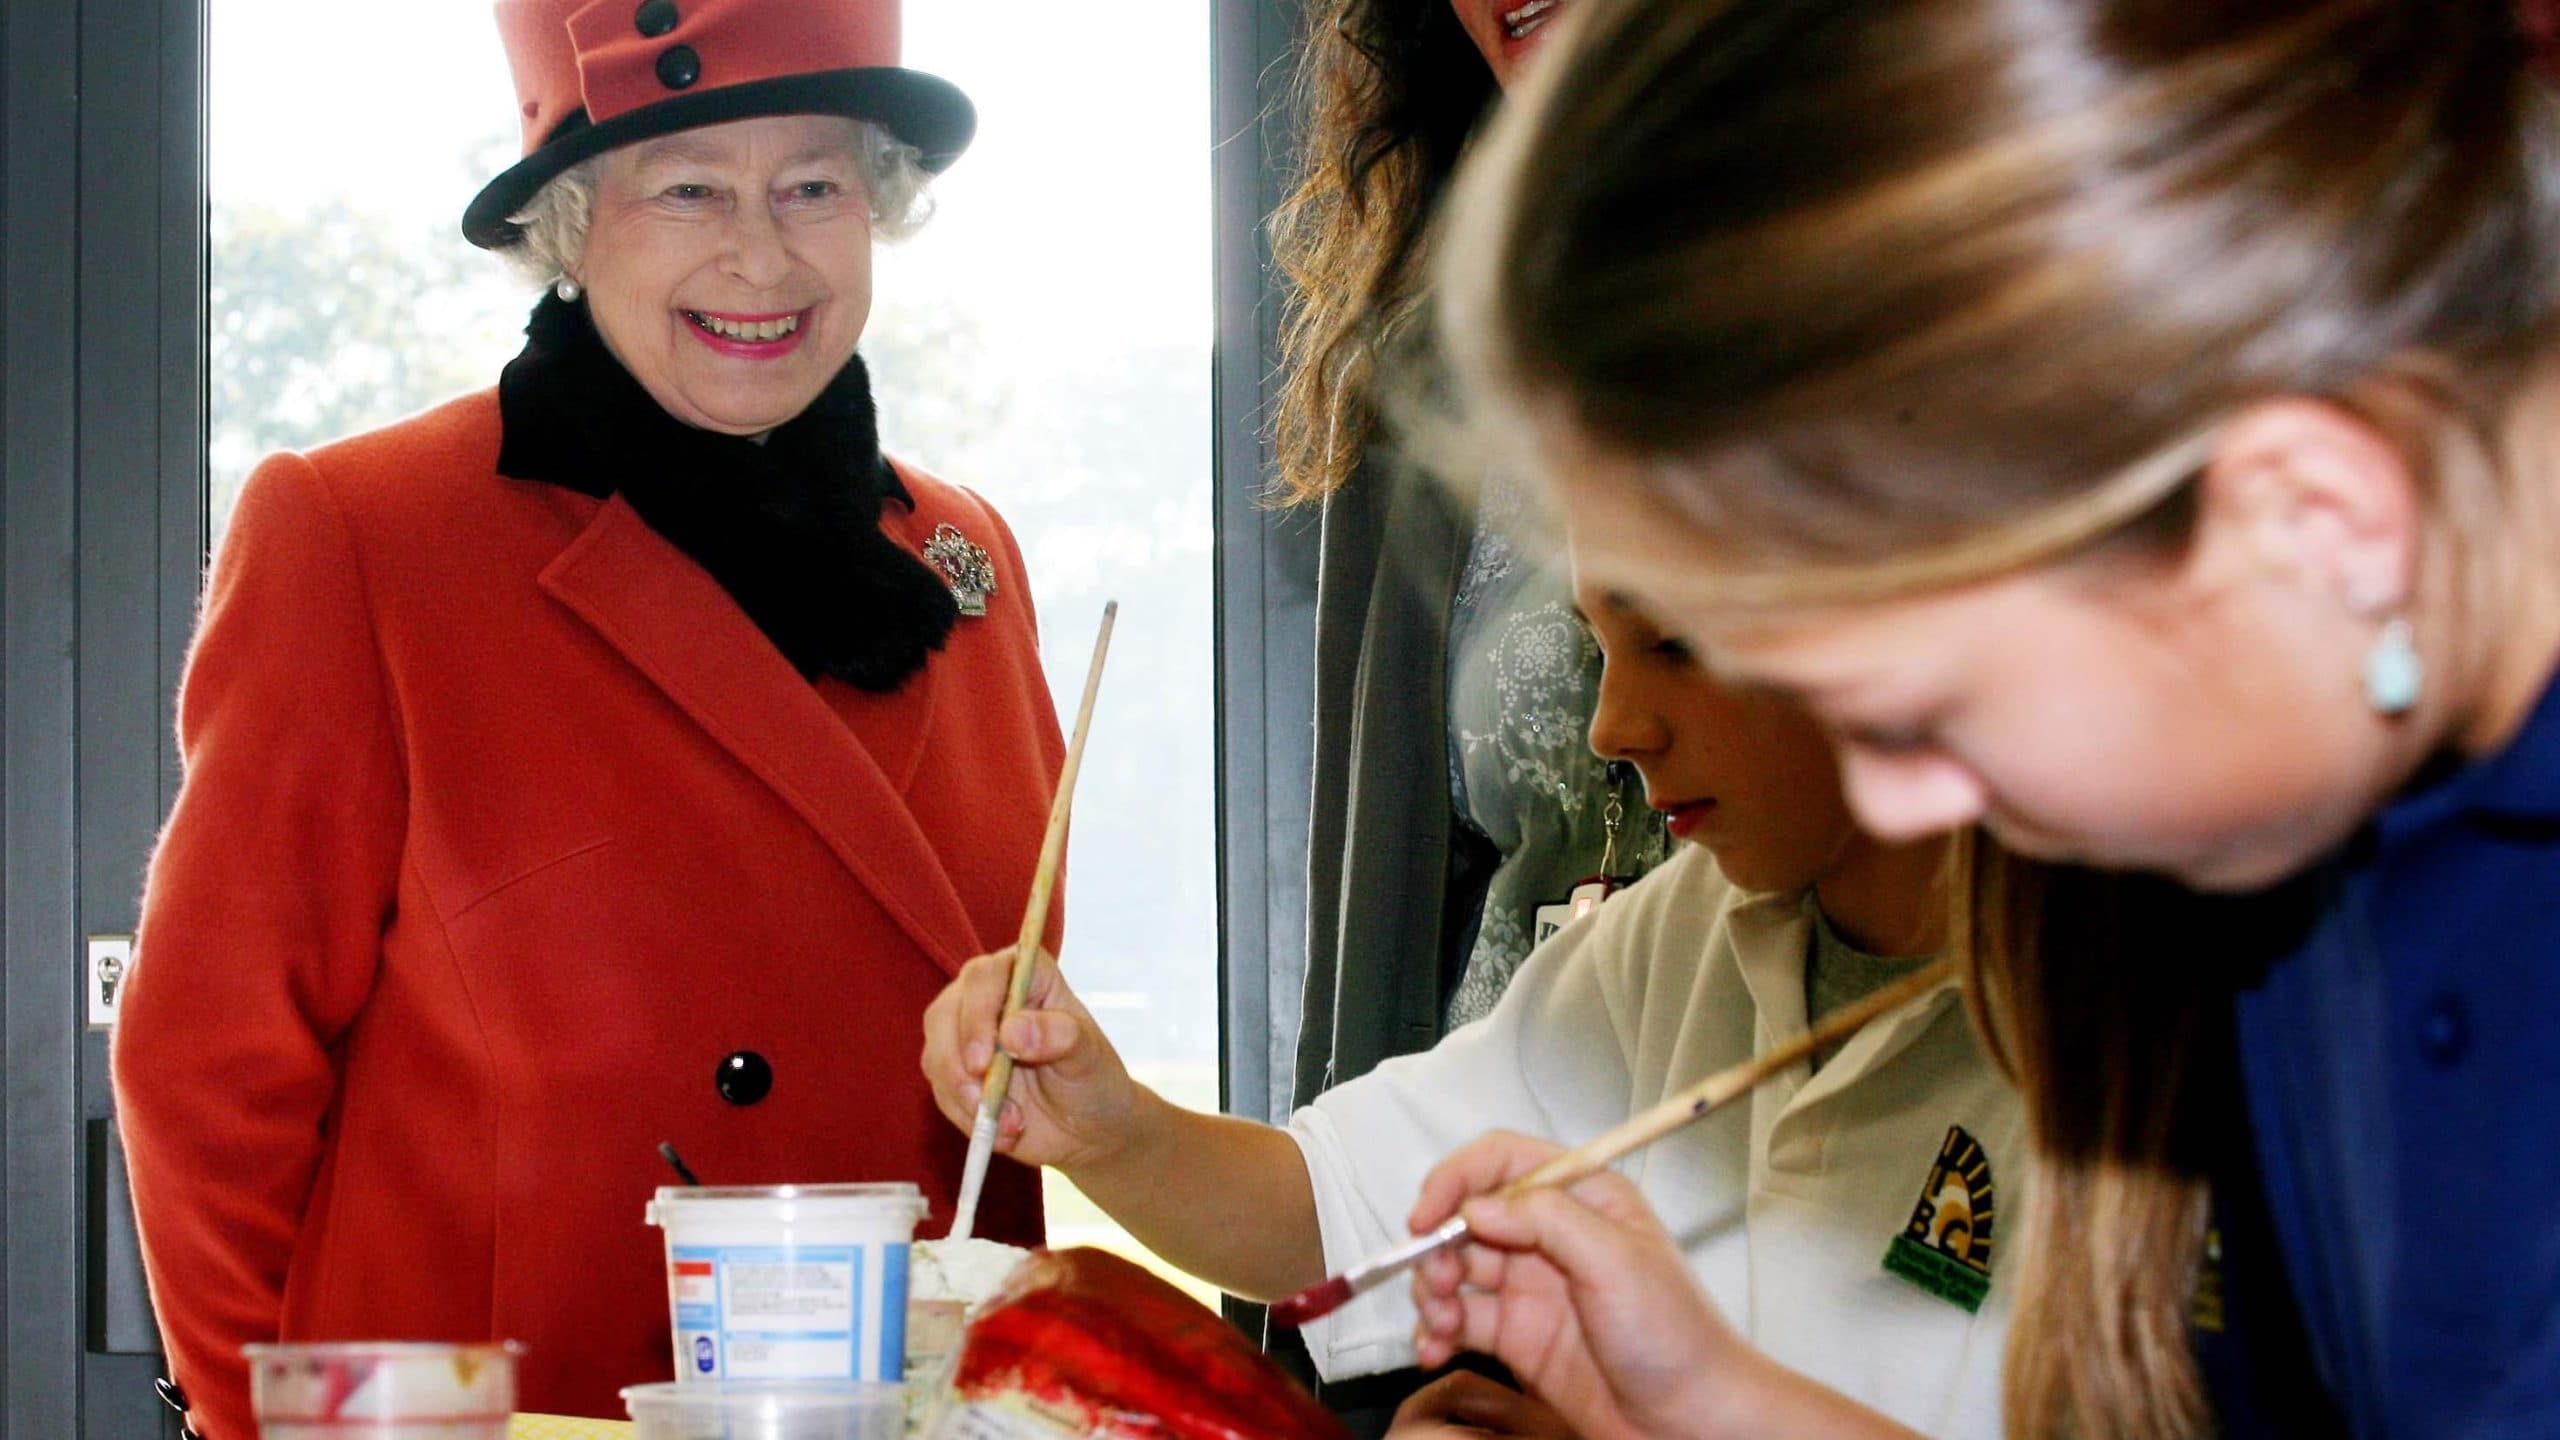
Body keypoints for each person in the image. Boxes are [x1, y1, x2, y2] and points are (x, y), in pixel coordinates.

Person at [1404, 1, 2560, 1437]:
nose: (1897, 807)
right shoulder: (2285, 834)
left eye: (1935, 709)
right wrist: (1707, 1402)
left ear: (2313, 521)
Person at [112, 2, 1059, 1434]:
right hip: (503, 1415)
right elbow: (207, 1072)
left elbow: (999, 1099)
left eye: (815, 184)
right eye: (688, 187)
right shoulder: (367, 536)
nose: (761, 252)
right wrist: (299, 1434)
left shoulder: (962, 562)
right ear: (568, 224)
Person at [922, 538, 2026, 1438]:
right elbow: (1329, 1213)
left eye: (1677, 645)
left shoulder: (2142, 1037)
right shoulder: (1681, 930)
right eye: (1600, 649)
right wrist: (1112, 1133)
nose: (1613, 728)